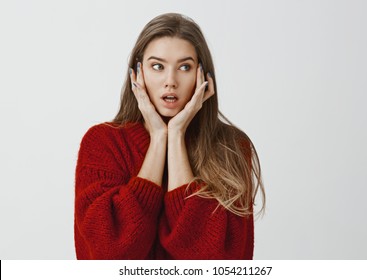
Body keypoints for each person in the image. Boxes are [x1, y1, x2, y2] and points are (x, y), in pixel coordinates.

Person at [74, 12, 265, 260]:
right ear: (137, 74)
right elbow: (109, 255)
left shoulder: (231, 147)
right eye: (157, 66)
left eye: (184, 67)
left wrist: (175, 136)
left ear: (203, 76)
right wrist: (157, 140)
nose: (170, 81)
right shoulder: (102, 142)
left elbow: (213, 261)